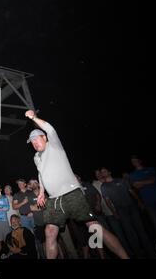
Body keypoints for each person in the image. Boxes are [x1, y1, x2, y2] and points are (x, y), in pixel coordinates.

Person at [24, 110, 128, 259]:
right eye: (32, 141)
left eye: (36, 139)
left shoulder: (54, 145)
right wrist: (41, 192)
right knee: (50, 232)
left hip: (72, 193)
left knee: (94, 227)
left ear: (45, 138)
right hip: (54, 199)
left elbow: (50, 128)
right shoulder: (36, 157)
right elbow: (41, 174)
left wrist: (34, 117)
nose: (34, 143)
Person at [100, 168, 155, 258]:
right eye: (102, 172)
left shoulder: (121, 180)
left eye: (105, 170)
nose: (103, 172)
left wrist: (139, 202)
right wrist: (114, 213)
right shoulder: (104, 186)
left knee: (141, 229)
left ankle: (151, 252)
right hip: (121, 210)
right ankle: (138, 254)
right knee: (130, 233)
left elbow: (131, 191)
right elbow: (108, 201)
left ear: (109, 172)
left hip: (132, 207)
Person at [129, 155, 156, 254]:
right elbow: (135, 187)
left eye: (135, 160)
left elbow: (154, 180)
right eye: (132, 161)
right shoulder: (132, 174)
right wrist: (146, 182)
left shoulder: (151, 169)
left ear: (140, 160)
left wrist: (141, 183)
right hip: (148, 203)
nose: (134, 162)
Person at [27, 179, 46, 259]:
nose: (33, 184)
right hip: (38, 223)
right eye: (31, 183)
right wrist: (41, 206)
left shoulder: (43, 193)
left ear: (38, 184)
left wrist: (37, 207)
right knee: (42, 242)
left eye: (35, 182)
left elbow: (46, 205)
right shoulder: (29, 195)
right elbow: (31, 207)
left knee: (53, 241)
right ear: (30, 186)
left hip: (48, 221)